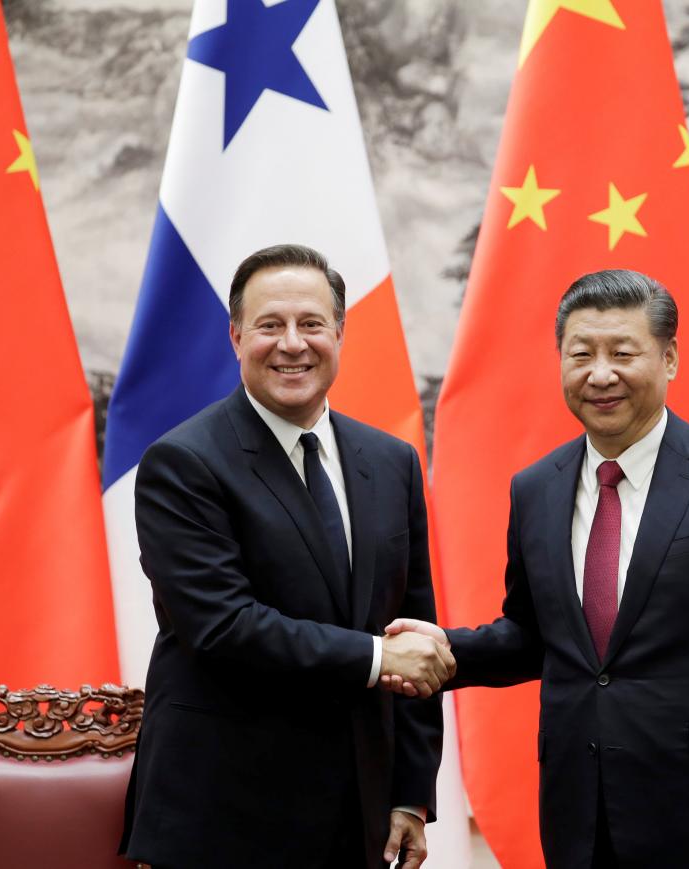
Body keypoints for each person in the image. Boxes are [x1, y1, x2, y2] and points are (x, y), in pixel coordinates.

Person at [387, 270, 689, 869]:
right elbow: (534, 637)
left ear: (669, 358)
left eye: (623, 353)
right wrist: (445, 651)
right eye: (581, 355)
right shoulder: (536, 488)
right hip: (582, 813)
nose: (600, 374)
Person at [120, 243, 452, 869]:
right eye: (270, 325)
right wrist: (380, 657)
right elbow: (223, 626)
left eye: (311, 324)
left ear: (340, 334)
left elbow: (414, 629)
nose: (292, 344)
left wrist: (410, 794)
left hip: (360, 814)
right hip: (224, 816)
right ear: (237, 335)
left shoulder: (391, 462)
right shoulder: (183, 463)